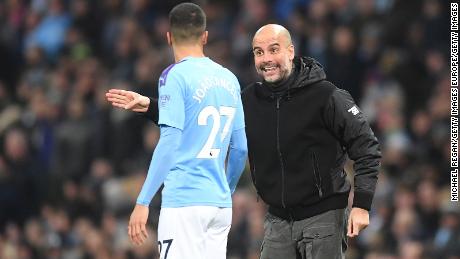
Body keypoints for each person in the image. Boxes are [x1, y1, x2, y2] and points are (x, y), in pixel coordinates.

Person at [107, 24, 381, 259]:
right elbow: (202, 119)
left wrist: (362, 205)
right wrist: (152, 107)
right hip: (278, 219)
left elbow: (367, 146)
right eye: (259, 52)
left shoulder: (327, 95)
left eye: (274, 49)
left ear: (291, 51)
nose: (266, 59)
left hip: (324, 217)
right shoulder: (248, 99)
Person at [119, 3, 248, 259]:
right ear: (205, 36)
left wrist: (143, 201)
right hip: (219, 205)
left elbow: (169, 141)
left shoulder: (174, 76)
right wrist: (226, 189)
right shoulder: (229, 79)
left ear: (168, 37)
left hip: (184, 203)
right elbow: (240, 147)